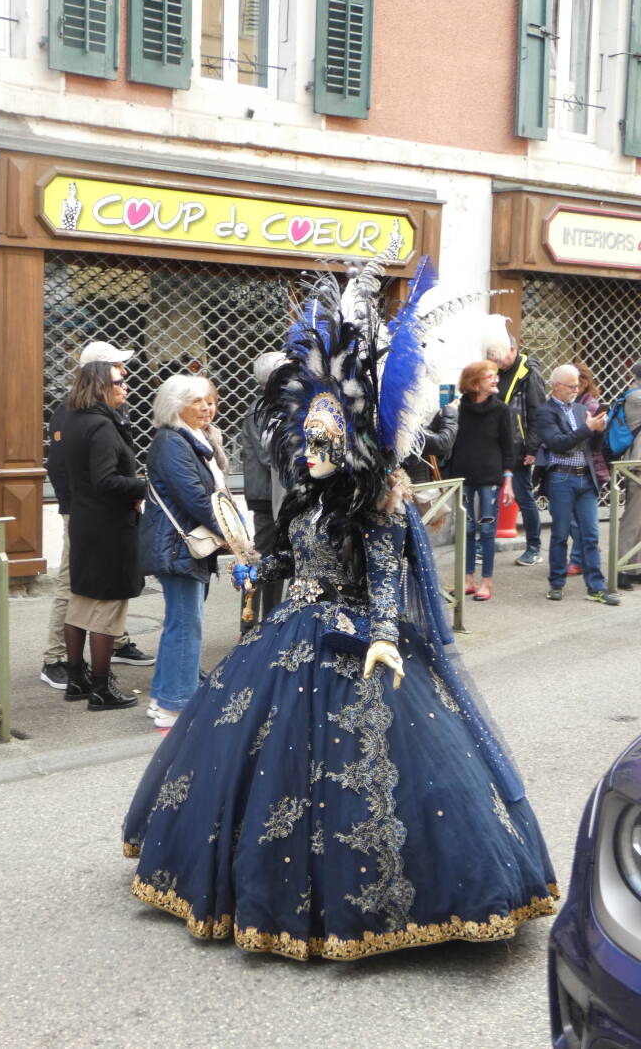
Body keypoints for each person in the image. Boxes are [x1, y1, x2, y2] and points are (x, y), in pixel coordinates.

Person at [123, 257, 557, 960]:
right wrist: (258, 564)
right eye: (307, 442)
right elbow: (292, 561)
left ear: (352, 443)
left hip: (356, 639)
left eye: (324, 444)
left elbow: (385, 577)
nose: (311, 454)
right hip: (288, 632)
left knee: (371, 776)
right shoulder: (306, 497)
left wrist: (383, 636)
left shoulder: (376, 503)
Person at [39, 342, 154, 691]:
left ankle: (114, 645)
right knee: (78, 586)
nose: (125, 375)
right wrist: (78, 505)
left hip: (96, 511)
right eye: (118, 369)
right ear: (101, 375)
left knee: (94, 590)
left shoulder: (103, 412)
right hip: (90, 515)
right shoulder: (75, 415)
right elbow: (64, 467)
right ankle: (56, 659)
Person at [139, 374, 225, 730]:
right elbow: (197, 498)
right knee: (187, 625)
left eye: (209, 400)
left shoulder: (192, 439)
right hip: (178, 547)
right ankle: (176, 706)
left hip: (181, 547)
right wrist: (232, 535)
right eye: (197, 401)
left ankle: (163, 697)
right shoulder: (172, 442)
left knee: (180, 622)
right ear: (176, 406)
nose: (207, 407)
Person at [535, 364, 619, 605]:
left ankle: (596, 587)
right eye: (571, 386)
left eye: (577, 386)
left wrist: (598, 431)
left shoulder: (581, 409)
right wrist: (587, 428)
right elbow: (558, 443)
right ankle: (556, 584)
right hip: (562, 478)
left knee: (591, 534)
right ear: (556, 386)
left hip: (586, 477)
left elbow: (592, 447)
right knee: (560, 534)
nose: (575, 390)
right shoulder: (545, 412)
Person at [449, 361, 514, 601]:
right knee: (466, 529)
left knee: (487, 530)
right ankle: (467, 580)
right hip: (463, 478)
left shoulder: (501, 409)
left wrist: (508, 481)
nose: (496, 379)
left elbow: (509, 447)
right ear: (475, 383)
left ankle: (486, 582)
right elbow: (446, 441)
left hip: (490, 480)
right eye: (490, 376)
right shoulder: (458, 408)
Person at [488, 334, 545, 566]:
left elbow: (538, 413)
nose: (496, 361)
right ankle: (484, 545)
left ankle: (534, 547)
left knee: (523, 497)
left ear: (512, 349)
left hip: (519, 447)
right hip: (497, 445)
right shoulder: (498, 371)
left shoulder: (529, 373)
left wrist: (532, 448)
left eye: (499, 356)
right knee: (490, 496)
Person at [239, 351, 286, 634]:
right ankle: (249, 625)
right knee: (262, 561)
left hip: (277, 497)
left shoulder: (277, 407)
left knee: (276, 561)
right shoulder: (261, 410)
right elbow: (271, 456)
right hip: (267, 498)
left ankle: (271, 622)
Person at [567, 362, 610, 579]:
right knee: (574, 518)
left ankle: (579, 559)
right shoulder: (575, 403)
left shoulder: (590, 405)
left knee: (578, 519)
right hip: (578, 466)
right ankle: (586, 551)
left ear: (583, 382)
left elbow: (591, 440)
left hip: (590, 467)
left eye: (574, 382)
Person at [618, 359, 641, 590]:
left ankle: (635, 568)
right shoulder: (635, 396)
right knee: (632, 520)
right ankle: (621, 568)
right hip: (637, 466)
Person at [204, 380, 229, 490]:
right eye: (198, 403)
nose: (205, 409)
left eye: (210, 404)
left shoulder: (214, 434)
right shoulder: (186, 437)